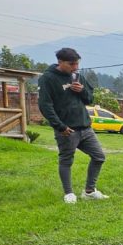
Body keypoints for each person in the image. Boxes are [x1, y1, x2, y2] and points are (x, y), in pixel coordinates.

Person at [38, 47, 108, 204]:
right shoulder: (48, 79)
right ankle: (69, 193)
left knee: (99, 157)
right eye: (71, 64)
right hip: (67, 130)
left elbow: (89, 99)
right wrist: (60, 126)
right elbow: (45, 106)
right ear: (60, 62)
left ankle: (89, 191)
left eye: (77, 64)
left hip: (85, 127)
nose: (75, 67)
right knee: (66, 160)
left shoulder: (77, 77)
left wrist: (82, 91)